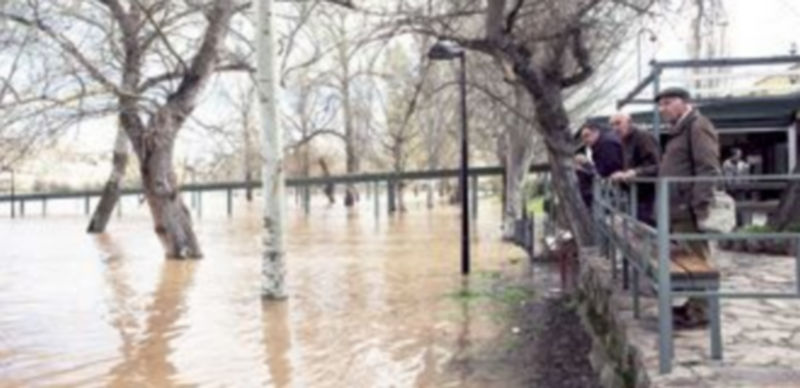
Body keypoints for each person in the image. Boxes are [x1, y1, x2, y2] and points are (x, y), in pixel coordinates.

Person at [656, 87, 721, 329]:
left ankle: (702, 311)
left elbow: (708, 168)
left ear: (685, 103)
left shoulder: (697, 126)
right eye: (660, 105)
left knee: (698, 258)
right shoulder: (680, 129)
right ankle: (695, 305)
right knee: (690, 256)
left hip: (688, 207)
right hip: (677, 206)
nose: (663, 109)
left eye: (668, 103)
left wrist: (699, 204)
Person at [608, 112, 660, 225]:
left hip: (649, 192)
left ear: (629, 122)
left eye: (618, 123)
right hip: (638, 192)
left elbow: (657, 165)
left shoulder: (642, 137)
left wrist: (634, 172)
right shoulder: (625, 140)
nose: (615, 128)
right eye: (612, 125)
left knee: (648, 227)